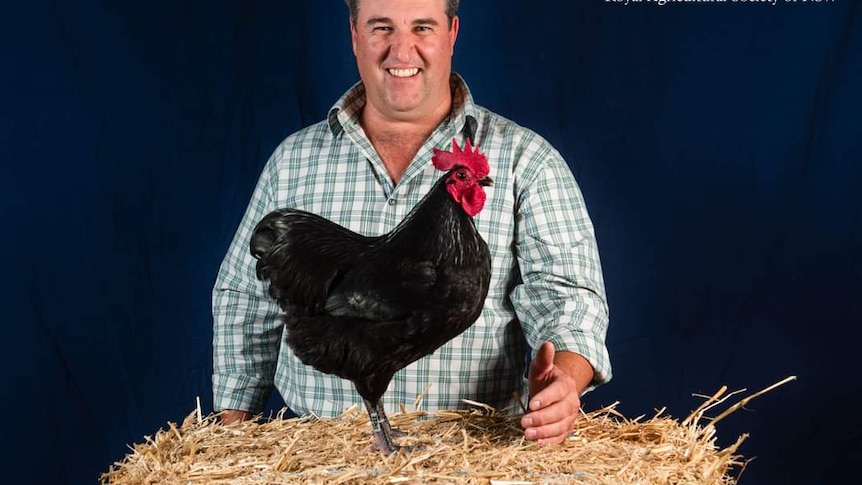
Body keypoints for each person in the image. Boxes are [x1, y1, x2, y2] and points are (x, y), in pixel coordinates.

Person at [212, 0, 611, 446]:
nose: (402, 51)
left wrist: (564, 382)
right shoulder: (293, 161)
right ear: (354, 35)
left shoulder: (527, 161)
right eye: (382, 27)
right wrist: (232, 433)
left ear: (452, 33)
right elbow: (243, 302)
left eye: (422, 27)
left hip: (473, 454)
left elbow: (568, 299)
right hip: (319, 454)